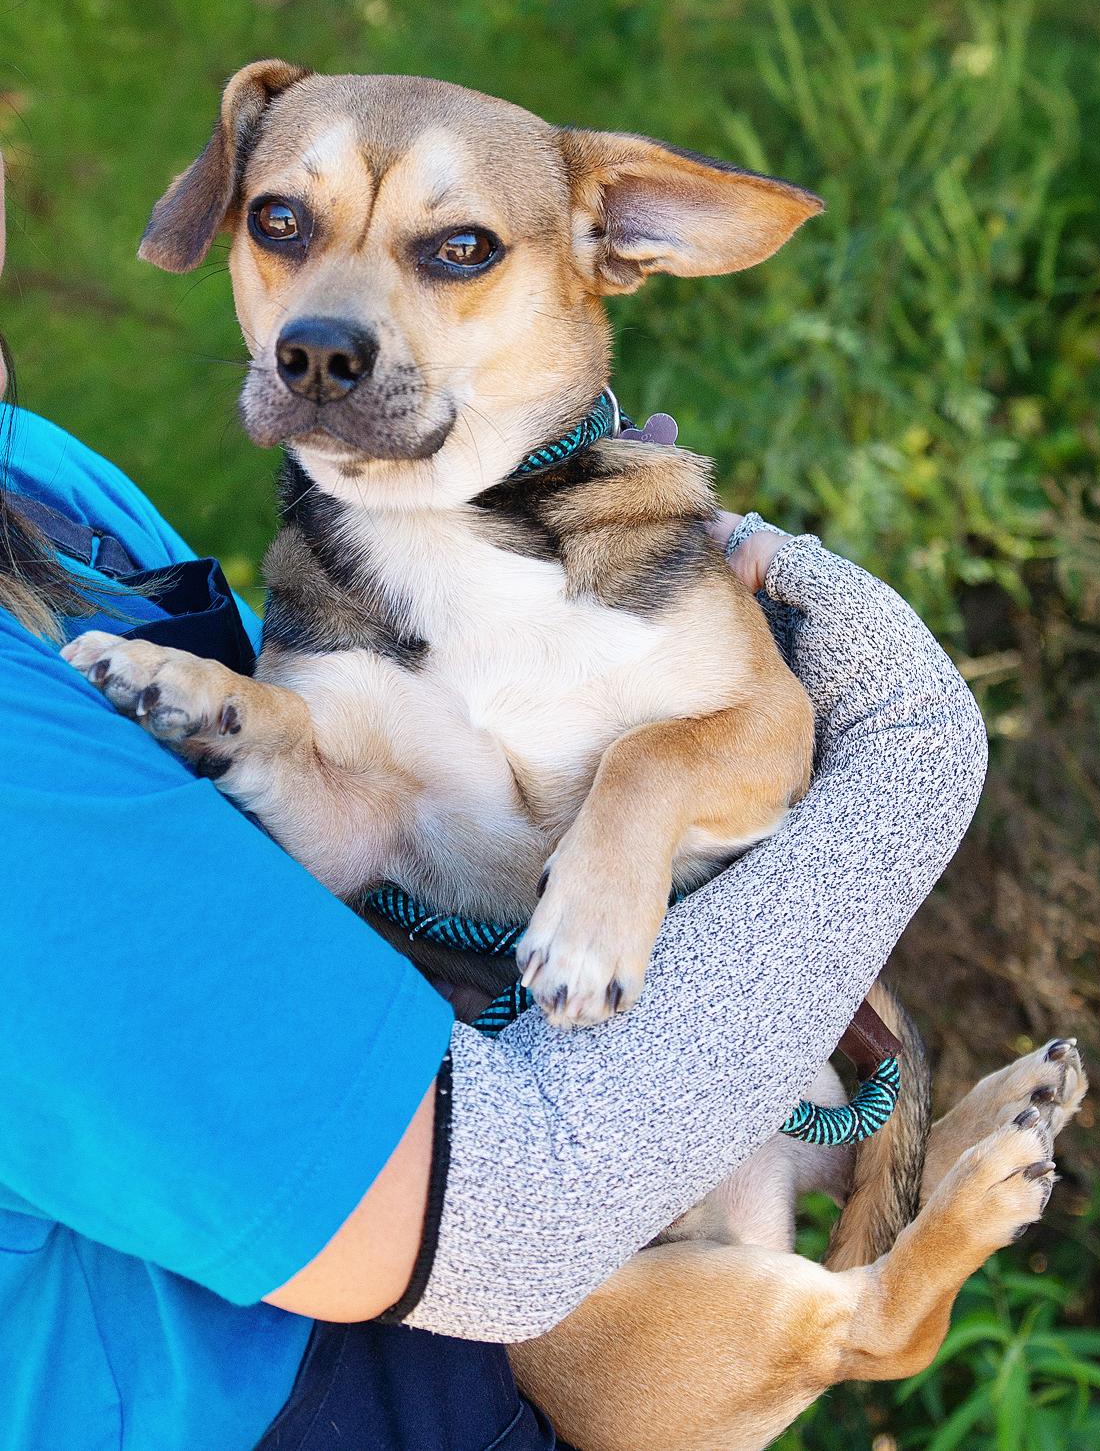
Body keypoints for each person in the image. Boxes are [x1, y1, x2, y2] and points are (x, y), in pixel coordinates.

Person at [0, 148, 988, 1451]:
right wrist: (914, 767)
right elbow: (507, 1216)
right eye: (285, 226)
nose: (325, 324)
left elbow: (363, 826)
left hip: (478, 1181)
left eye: (450, 248)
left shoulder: (39, 470)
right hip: (315, 1389)